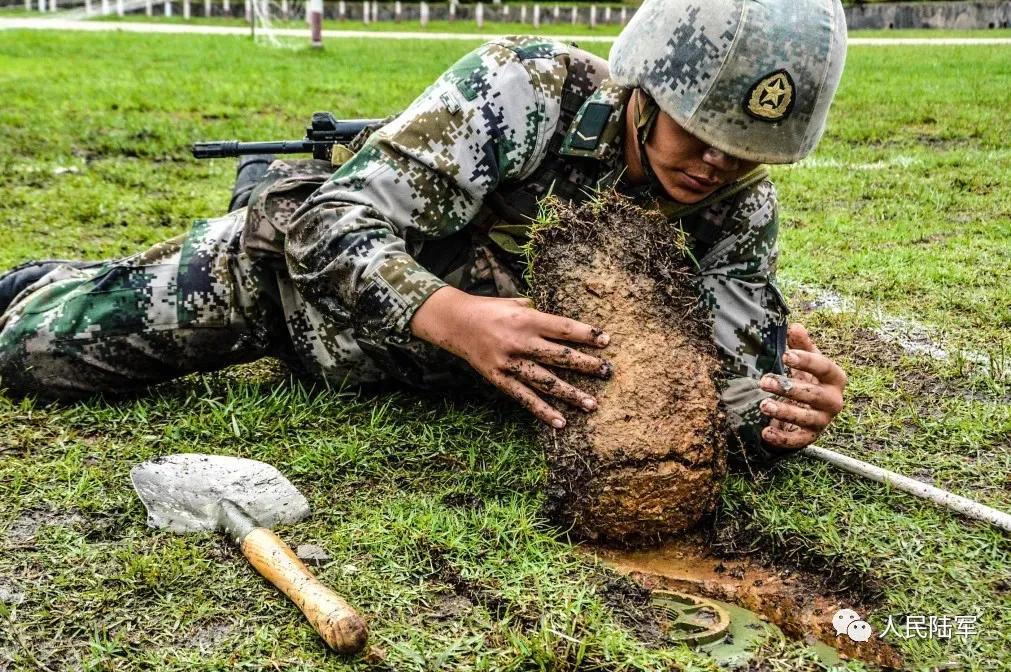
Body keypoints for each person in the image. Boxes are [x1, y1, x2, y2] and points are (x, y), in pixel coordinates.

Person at [0, 0, 848, 466]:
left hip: (415, 378)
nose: (712, 163)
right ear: (648, 86)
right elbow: (330, 219)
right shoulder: (524, 89)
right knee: (32, 356)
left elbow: (722, 391)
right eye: (697, 129)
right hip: (288, 299)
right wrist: (458, 321)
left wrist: (777, 410)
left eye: (744, 152)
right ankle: (38, 282)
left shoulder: (738, 212)